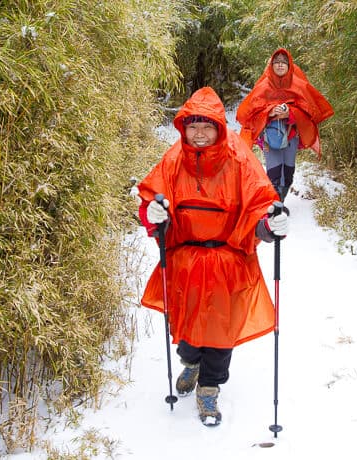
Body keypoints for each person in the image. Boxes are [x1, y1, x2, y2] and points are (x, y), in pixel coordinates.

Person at [137, 86, 289, 427]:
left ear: (219, 127)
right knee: (187, 334)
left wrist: (270, 225)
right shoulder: (174, 159)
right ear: (183, 127)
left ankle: (209, 388)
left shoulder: (239, 159)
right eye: (193, 125)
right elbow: (150, 202)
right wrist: (153, 215)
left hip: (227, 262)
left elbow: (258, 206)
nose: (200, 132)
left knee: (219, 331)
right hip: (184, 261)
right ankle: (190, 364)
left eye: (207, 125)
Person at [236, 48, 334, 201]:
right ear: (271, 66)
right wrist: (270, 112)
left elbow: (310, 111)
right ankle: (276, 205)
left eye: (283, 62)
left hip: (291, 136)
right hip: (270, 137)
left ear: (289, 66)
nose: (280, 65)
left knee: (288, 174)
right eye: (276, 62)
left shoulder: (299, 86)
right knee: (274, 172)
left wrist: (291, 114)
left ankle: (280, 198)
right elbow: (250, 114)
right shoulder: (263, 87)